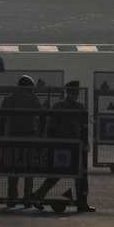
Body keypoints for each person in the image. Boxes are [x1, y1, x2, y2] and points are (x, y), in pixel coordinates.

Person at [30, 81, 92, 211]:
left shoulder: (79, 107)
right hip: (62, 145)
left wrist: (86, 142)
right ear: (68, 92)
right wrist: (51, 144)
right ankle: (38, 195)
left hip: (75, 145)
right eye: (73, 92)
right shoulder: (59, 106)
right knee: (57, 174)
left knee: (79, 175)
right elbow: (51, 127)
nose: (75, 94)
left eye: (76, 92)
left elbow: (83, 128)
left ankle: (82, 202)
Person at [3, 76, 42, 207]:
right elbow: (41, 113)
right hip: (29, 137)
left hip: (13, 137)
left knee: (13, 169)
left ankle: (12, 198)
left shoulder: (11, 98)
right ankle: (27, 199)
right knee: (28, 169)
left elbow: (3, 113)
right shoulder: (33, 98)